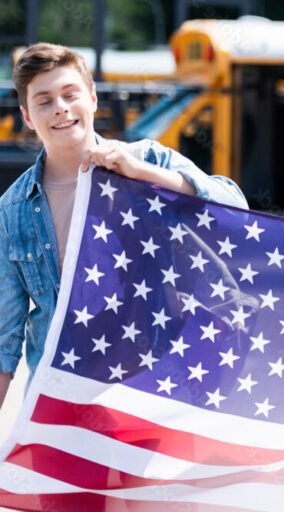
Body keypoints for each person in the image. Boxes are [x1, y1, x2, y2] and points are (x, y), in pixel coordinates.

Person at [0, 43, 248, 409]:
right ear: (26, 115)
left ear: (93, 98)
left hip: (155, 393)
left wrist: (142, 174)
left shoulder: (149, 158)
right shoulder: (13, 209)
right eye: (44, 100)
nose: (60, 108)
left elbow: (235, 209)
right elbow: (5, 342)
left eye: (70, 94)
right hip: (63, 403)